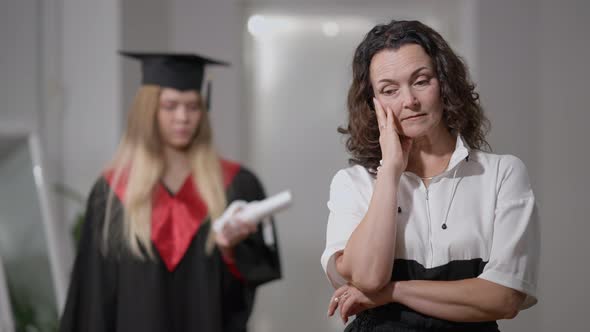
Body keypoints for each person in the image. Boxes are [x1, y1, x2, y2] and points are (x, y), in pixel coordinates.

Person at [321, 20, 539, 331]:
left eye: (421, 81)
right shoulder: (352, 183)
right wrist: (390, 171)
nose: (409, 100)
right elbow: (368, 278)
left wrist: (392, 292)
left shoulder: (502, 174)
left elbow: (503, 299)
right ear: (374, 104)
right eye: (389, 90)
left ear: (445, 83)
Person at [60, 52, 281, 332]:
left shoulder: (236, 185)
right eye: (170, 106)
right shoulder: (111, 193)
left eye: (192, 106)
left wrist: (229, 251)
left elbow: (246, 285)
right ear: (148, 110)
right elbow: (93, 296)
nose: (183, 117)